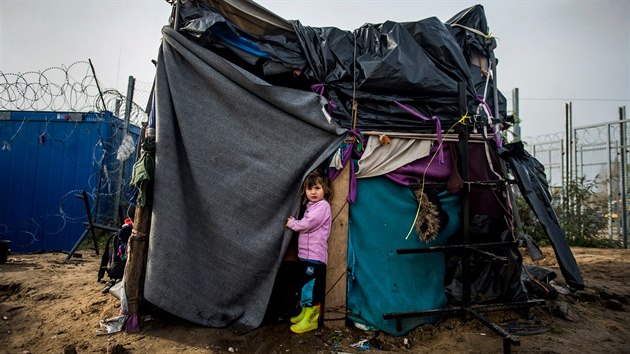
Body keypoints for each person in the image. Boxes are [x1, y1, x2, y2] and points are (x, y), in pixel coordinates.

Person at [285, 169, 333, 333]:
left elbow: (308, 224)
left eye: (317, 188)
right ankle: (304, 314)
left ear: (324, 189)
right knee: (305, 286)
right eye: (309, 189)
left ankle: (311, 320)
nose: (313, 192)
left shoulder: (323, 206)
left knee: (311, 288)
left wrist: (293, 224)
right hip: (306, 256)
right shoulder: (311, 206)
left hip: (315, 256)